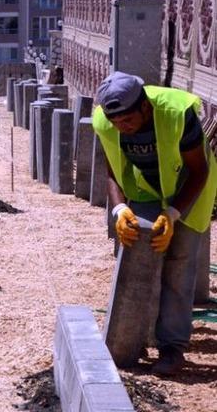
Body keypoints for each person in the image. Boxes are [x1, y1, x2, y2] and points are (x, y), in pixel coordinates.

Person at [93, 71, 217, 376]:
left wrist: (173, 214)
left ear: (145, 107)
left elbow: (198, 171)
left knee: (179, 261)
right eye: (116, 122)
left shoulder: (178, 115)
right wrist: (120, 209)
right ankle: (132, 339)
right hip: (146, 186)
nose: (122, 127)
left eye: (128, 121)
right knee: (138, 248)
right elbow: (112, 170)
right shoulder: (105, 121)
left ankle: (172, 346)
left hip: (189, 187)